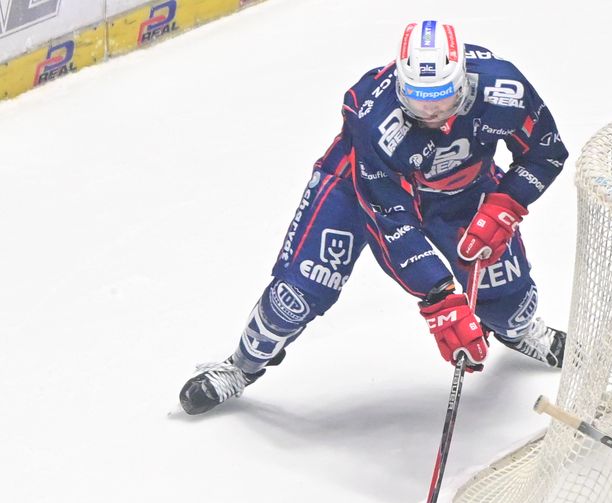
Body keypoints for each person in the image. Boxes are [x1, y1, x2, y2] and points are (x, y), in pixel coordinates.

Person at [179, 19, 568, 415]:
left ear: (462, 81)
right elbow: (391, 222)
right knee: (298, 292)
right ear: (400, 85)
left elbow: (546, 152)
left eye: (441, 96)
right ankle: (240, 367)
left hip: (461, 188)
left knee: (506, 299)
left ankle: (519, 331)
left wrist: (506, 204)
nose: (431, 110)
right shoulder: (374, 116)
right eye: (417, 97)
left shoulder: (504, 89)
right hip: (358, 189)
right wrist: (439, 299)